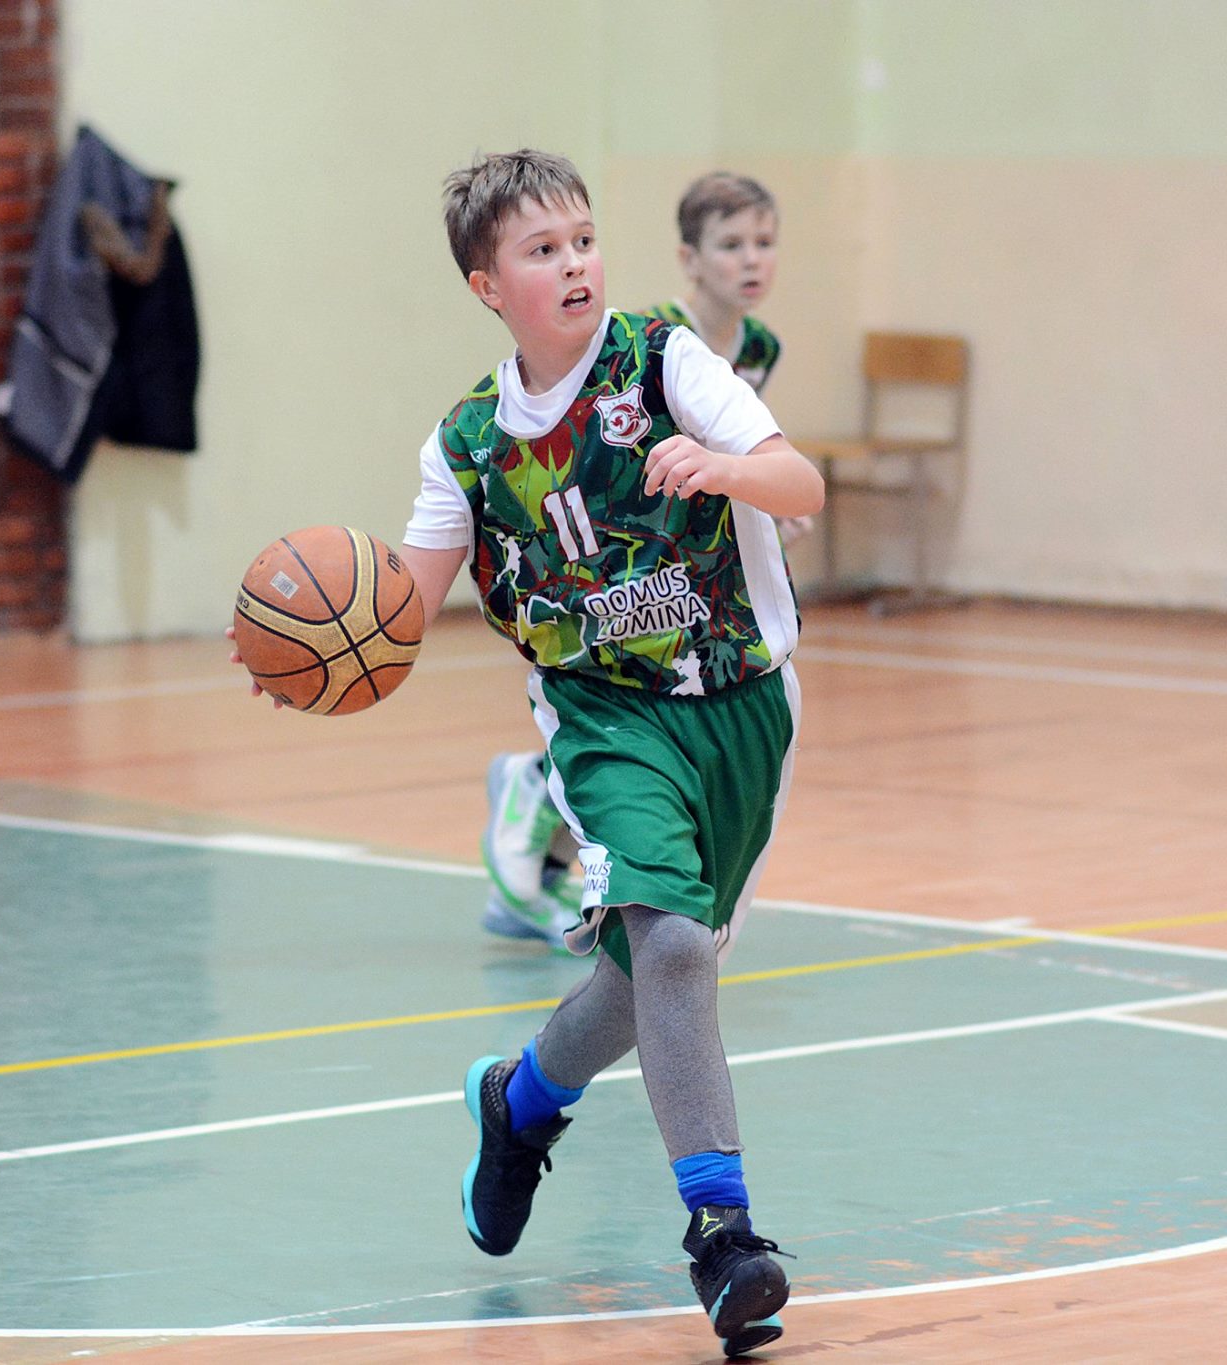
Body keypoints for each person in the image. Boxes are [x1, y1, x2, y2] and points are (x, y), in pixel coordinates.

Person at [400, 150, 822, 1357]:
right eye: (542, 250)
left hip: (742, 704)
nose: (574, 262)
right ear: (488, 285)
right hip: (601, 723)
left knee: (651, 980)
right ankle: (722, 1239)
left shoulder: (663, 359)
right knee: (673, 947)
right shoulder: (467, 446)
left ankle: (520, 1103)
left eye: (582, 239)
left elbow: (798, 483)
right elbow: (401, 612)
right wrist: (320, 655)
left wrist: (725, 466)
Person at [480, 171, 794, 947]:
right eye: (731, 245)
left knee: (659, 754)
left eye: (763, 243)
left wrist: (754, 498)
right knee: (624, 720)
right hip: (611, 560)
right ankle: (534, 784)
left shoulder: (758, 347)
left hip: (692, 582)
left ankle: (555, 872)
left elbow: (742, 446)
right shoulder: (651, 337)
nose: (751, 259)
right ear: (690, 258)